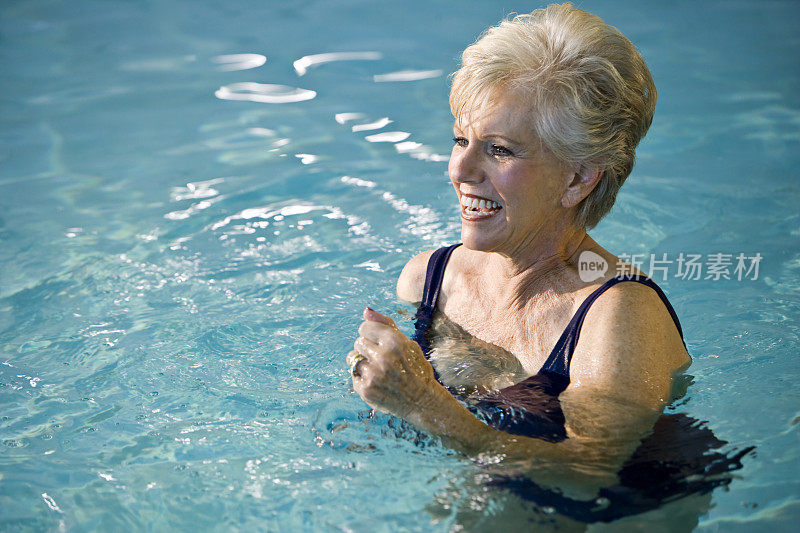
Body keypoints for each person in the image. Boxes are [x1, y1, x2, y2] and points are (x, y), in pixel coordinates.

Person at [346, 3, 691, 486]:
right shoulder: (428, 280)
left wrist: (425, 405)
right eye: (460, 140)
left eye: (500, 149)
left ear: (578, 179)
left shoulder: (617, 315)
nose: (461, 172)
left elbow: (590, 473)